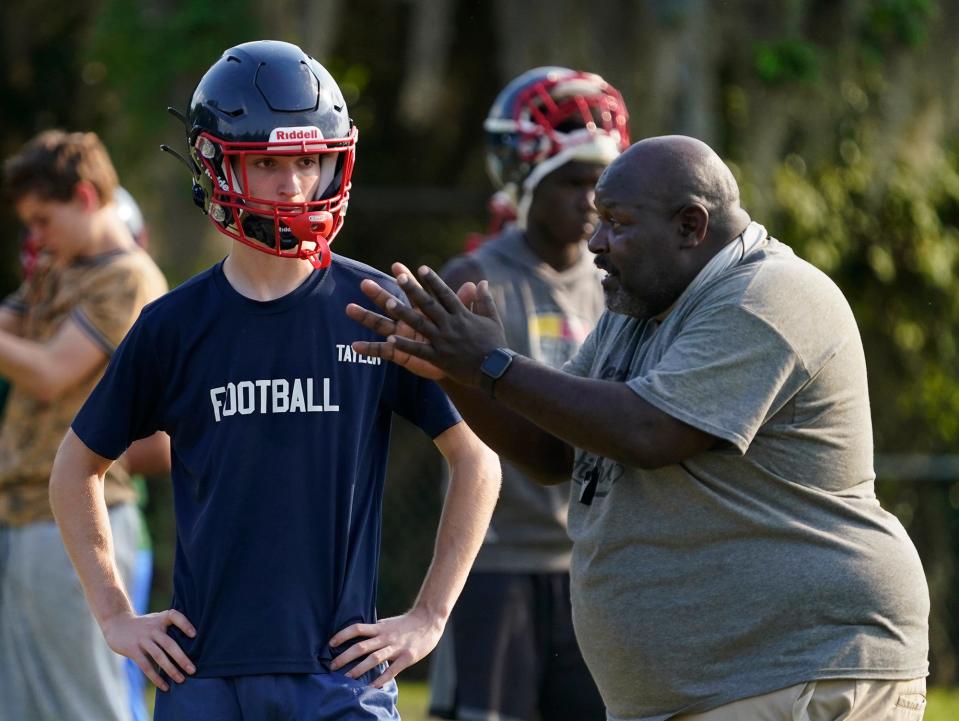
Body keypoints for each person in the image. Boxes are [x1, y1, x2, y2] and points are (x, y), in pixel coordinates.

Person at [347, 135, 930, 721]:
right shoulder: (639, 310)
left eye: (618, 224)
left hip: (800, 670)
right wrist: (456, 374)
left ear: (691, 226)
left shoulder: (768, 295)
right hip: (717, 687)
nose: (595, 242)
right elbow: (554, 454)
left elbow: (650, 433)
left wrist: (495, 366)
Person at [50, 39, 500, 721]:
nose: (292, 184)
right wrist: (114, 613)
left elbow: (476, 458)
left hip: (340, 674)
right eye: (265, 163)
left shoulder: (379, 306)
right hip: (203, 673)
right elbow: (75, 466)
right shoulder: (172, 324)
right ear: (215, 165)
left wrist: (429, 614)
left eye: (307, 161)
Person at [428, 67, 628, 721]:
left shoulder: (623, 286)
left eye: (601, 181)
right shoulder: (476, 278)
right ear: (524, 180)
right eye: (572, 181)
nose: (591, 198)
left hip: (593, 558)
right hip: (495, 556)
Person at [0, 130, 169, 721]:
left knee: (85, 705)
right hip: (22, 512)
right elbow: (11, 330)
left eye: (45, 220)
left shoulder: (129, 278)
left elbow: (49, 372)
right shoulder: (59, 268)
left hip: (78, 517)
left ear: (85, 197)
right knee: (19, 705)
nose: (36, 237)